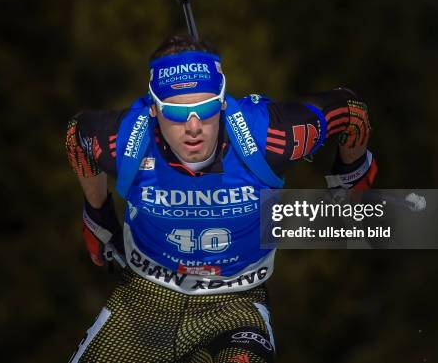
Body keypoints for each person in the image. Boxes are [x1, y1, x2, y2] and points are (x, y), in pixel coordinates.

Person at [65, 35, 377, 363]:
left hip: (235, 304)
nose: (194, 126)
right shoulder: (125, 140)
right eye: (176, 112)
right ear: (155, 109)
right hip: (144, 301)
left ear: (224, 101)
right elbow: (76, 136)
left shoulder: (271, 137)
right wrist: (97, 214)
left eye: (207, 107)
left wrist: (351, 175)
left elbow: (350, 111)